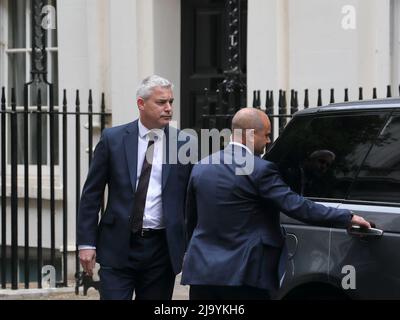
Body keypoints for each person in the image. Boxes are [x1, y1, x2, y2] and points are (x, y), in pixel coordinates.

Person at [181, 108, 371, 300]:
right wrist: (347, 217)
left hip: (202, 271)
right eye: (267, 134)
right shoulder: (260, 169)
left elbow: (191, 220)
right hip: (243, 274)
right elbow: (297, 206)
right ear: (251, 134)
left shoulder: (202, 166)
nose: (269, 140)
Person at [77, 75, 195, 300]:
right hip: (117, 245)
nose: (169, 108)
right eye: (161, 102)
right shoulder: (113, 139)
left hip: (162, 249)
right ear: (141, 104)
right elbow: (91, 194)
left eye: (171, 102)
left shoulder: (184, 143)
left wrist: (189, 245)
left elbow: (191, 199)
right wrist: (86, 243)